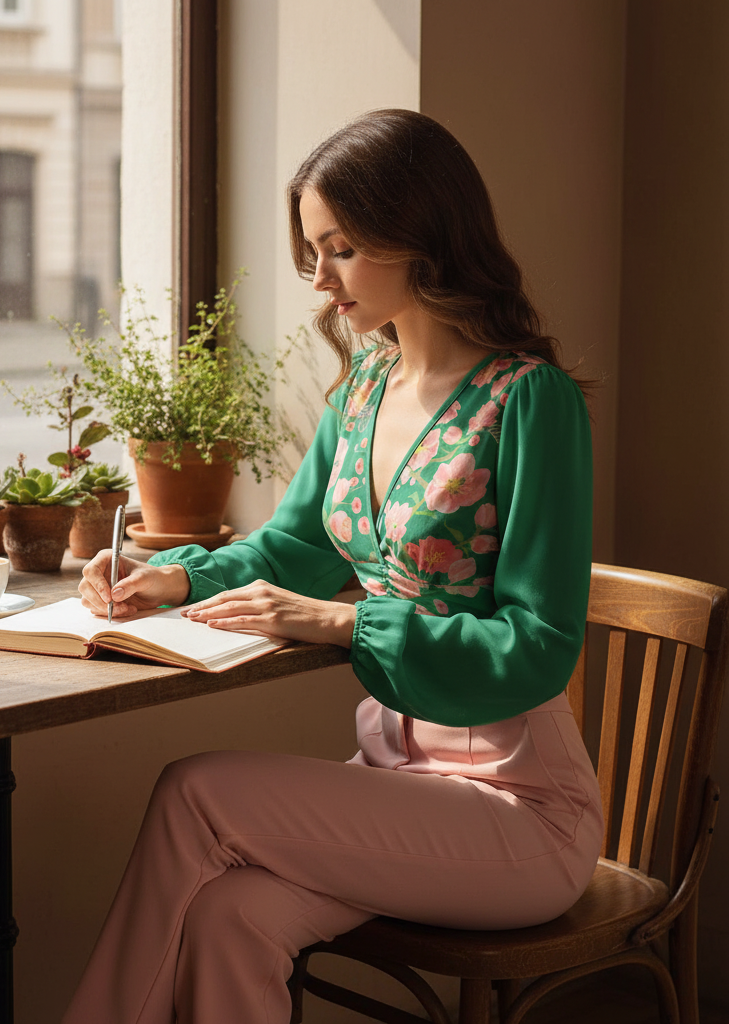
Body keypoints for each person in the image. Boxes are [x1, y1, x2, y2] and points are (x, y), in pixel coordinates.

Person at [65, 109, 603, 1024]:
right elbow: (296, 548)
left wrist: (350, 622)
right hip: (395, 778)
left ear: (420, 235)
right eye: (313, 250)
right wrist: (178, 576)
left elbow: (540, 644)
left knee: (195, 790)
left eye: (341, 249)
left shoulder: (529, 402)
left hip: (519, 808)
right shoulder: (361, 389)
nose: (319, 279)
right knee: (233, 915)